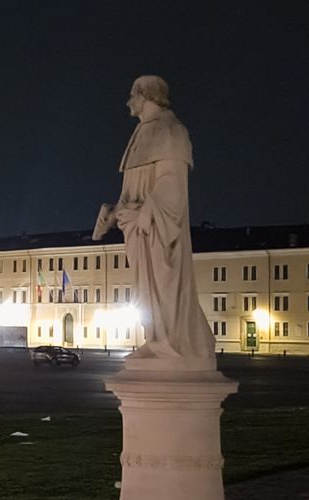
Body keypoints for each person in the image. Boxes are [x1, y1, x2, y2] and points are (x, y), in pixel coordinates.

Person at [94, 75, 214, 366]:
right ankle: (156, 339)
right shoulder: (141, 133)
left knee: (165, 284)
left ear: (146, 97)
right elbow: (134, 189)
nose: (128, 102)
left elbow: (171, 183)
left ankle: (173, 345)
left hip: (159, 228)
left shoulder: (171, 130)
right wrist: (113, 212)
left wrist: (146, 213)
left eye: (132, 96)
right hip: (137, 230)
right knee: (145, 291)